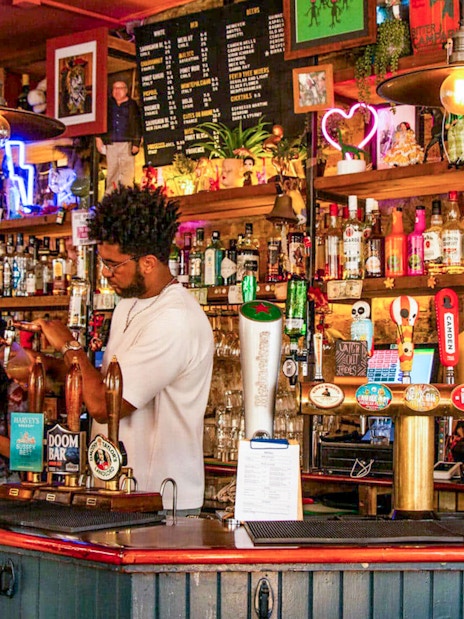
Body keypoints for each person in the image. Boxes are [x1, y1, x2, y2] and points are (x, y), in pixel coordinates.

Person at [35, 184, 215, 515]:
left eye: (113, 264)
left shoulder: (175, 320)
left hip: (159, 502)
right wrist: (38, 364)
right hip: (118, 492)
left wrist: (70, 346)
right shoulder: (129, 305)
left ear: (148, 262)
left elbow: (105, 405)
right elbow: (100, 384)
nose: (105, 272)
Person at [95, 81, 143, 194]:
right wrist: (98, 138)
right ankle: (111, 196)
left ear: (126, 90)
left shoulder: (132, 105)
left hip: (127, 142)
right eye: (115, 88)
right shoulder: (107, 104)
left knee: (127, 171)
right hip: (111, 142)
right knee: (112, 171)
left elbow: (137, 124)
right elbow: (99, 121)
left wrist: (136, 143)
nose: (117, 91)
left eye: (120, 88)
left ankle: (127, 195)